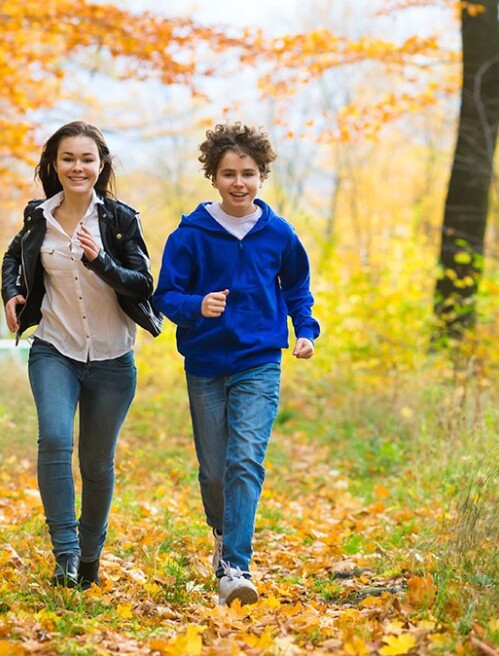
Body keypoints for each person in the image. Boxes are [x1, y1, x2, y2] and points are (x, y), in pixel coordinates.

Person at [152, 122, 319, 606]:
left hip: (259, 361)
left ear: (263, 176)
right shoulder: (190, 235)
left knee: (244, 460)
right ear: (213, 177)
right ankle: (224, 536)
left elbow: (298, 290)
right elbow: (167, 296)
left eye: (248, 173)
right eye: (229, 174)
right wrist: (196, 306)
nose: (239, 182)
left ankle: (235, 566)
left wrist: (304, 332)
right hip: (204, 363)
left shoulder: (279, 234)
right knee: (213, 471)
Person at [1, 121, 162, 589]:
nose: (78, 167)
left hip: (113, 359)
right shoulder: (38, 217)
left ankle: (90, 555)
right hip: (55, 348)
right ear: (54, 164)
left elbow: (143, 283)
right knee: (54, 439)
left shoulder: (118, 219)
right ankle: (66, 554)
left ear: (101, 165)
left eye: (87, 159)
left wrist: (100, 262)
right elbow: (14, 256)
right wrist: (12, 292)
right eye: (68, 158)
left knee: (96, 464)